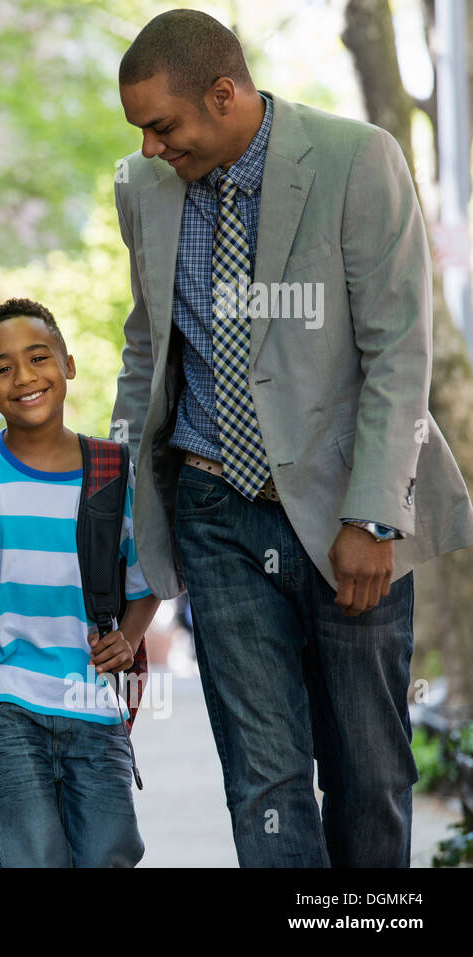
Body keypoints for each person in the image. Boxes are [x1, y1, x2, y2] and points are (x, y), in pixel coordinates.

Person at [110, 9, 473, 867]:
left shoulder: (357, 160)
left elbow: (397, 351)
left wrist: (374, 517)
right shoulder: (141, 187)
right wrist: (119, 503)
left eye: (164, 125)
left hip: (344, 510)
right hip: (213, 510)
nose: (153, 148)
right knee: (263, 777)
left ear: (225, 94)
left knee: (368, 771)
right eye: (141, 133)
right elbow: (146, 347)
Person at [0, 298, 160, 867]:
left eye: (39, 357)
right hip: (2, 699)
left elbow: (150, 576)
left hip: (92, 700)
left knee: (108, 853)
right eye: (1, 368)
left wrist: (133, 635)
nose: (24, 377)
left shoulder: (113, 474)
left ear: (67, 364)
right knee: (33, 856)